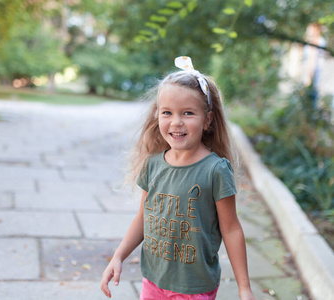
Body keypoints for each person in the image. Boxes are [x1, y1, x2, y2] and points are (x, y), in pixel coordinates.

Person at [100, 56, 256, 300]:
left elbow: (231, 229)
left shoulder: (215, 170)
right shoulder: (153, 164)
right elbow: (143, 217)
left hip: (195, 288)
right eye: (167, 112)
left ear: (208, 120)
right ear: (157, 116)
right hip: (152, 281)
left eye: (188, 113)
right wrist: (118, 256)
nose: (176, 122)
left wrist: (244, 287)